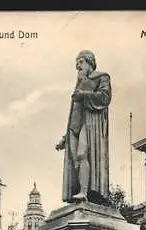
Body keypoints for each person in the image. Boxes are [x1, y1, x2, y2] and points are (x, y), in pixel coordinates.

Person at [56, 50, 112, 203]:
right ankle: (79, 190)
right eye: (77, 64)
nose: (78, 66)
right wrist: (65, 137)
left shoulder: (102, 77)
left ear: (89, 61)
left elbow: (105, 98)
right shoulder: (79, 84)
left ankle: (84, 191)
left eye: (80, 62)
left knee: (82, 154)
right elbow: (74, 113)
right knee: (75, 161)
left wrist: (84, 94)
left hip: (91, 123)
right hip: (75, 127)